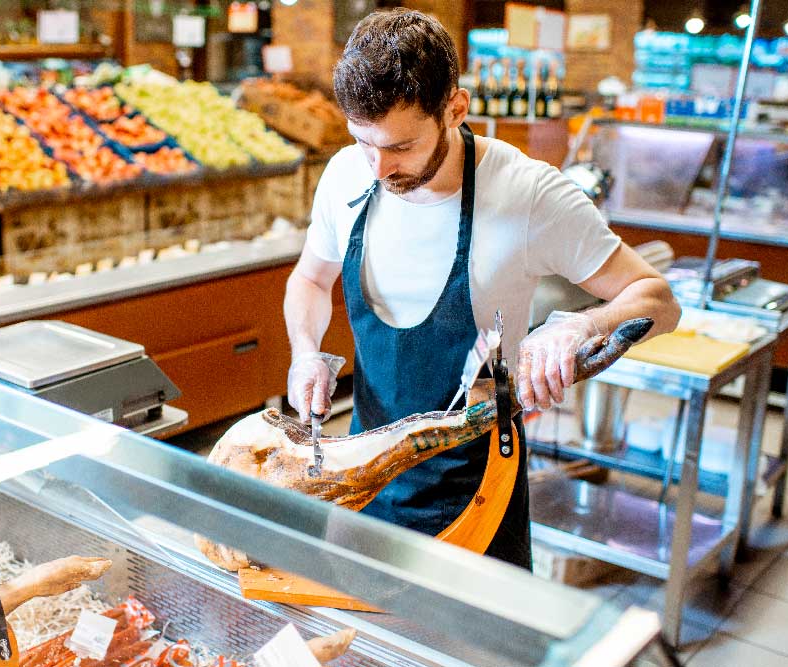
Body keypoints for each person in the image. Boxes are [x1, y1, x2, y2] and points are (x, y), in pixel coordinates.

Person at [283, 9, 680, 569]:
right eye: (362, 142)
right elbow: (309, 278)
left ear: (456, 109)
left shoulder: (527, 192)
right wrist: (304, 353)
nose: (376, 168)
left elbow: (658, 298)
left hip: (478, 486)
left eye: (399, 147)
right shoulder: (348, 173)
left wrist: (580, 325)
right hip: (363, 470)